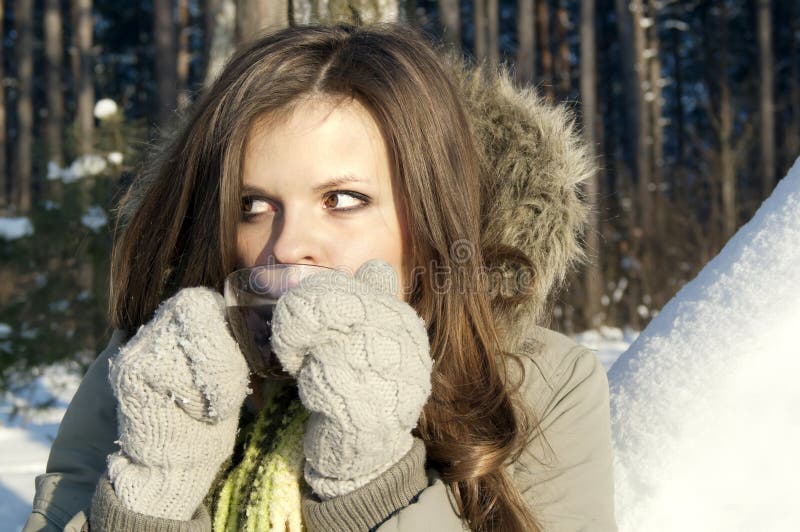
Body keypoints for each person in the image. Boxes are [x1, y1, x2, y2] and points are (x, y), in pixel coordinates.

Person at [24, 22, 616, 532]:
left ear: (433, 215)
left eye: (342, 198)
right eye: (252, 205)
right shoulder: (151, 369)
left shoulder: (539, 386)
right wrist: (154, 497)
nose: (287, 245)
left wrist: (372, 485)